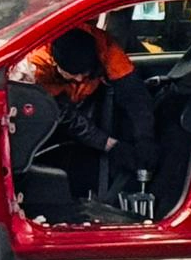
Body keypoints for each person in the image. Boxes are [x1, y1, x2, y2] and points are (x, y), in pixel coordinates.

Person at [16, 25, 158, 191]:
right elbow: (65, 116)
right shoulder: (37, 65)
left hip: (90, 99)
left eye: (84, 72)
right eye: (72, 74)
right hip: (53, 110)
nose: (79, 79)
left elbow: (135, 96)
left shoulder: (107, 49)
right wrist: (108, 144)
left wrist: (145, 138)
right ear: (55, 62)